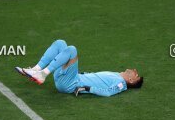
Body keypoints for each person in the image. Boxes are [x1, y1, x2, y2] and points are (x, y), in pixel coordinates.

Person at [15, 39, 143, 97]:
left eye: (136, 75)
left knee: (72, 50)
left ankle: (43, 74)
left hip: (71, 83)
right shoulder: (117, 75)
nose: (135, 71)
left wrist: (86, 88)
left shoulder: (121, 84)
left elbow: (108, 92)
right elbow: (95, 77)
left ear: (131, 81)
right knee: (60, 43)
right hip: (70, 78)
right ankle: (37, 69)